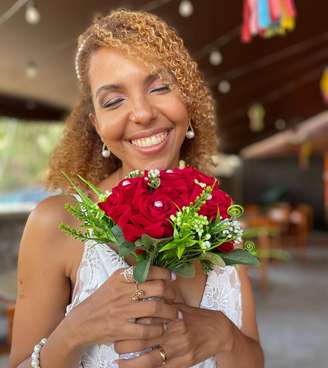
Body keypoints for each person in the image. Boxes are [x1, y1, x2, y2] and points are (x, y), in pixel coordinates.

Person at [9, 9, 264, 368]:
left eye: (160, 87)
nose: (142, 113)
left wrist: (224, 335)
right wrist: (74, 332)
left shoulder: (219, 217)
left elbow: (253, 358)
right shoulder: (55, 223)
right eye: (114, 101)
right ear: (98, 126)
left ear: (188, 102)